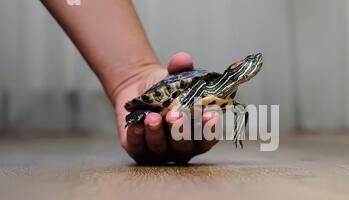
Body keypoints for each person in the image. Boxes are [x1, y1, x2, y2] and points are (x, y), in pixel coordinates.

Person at [42, 0, 219, 164]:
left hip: (171, 102)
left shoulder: (217, 90)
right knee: (150, 118)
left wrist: (135, 75)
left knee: (167, 120)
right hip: (164, 100)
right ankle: (141, 114)